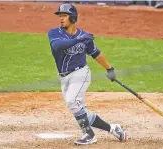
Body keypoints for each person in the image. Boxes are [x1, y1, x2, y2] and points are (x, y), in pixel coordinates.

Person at [48, 3, 126, 145]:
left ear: (72, 17)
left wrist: (110, 69)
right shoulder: (54, 33)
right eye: (60, 16)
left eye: (64, 15)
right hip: (64, 77)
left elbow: (96, 53)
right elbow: (57, 46)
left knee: (72, 102)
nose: (61, 18)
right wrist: (79, 39)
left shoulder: (84, 37)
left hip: (80, 73)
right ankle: (113, 128)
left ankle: (89, 134)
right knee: (78, 109)